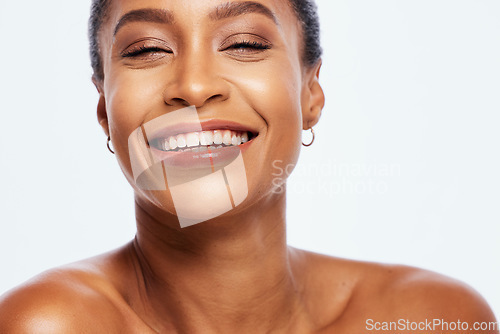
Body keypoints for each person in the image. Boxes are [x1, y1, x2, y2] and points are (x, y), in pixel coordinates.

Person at [0, 0, 497, 333]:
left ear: (310, 94)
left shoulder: (435, 319)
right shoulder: (48, 325)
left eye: (244, 44)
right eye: (148, 49)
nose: (194, 88)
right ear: (105, 110)